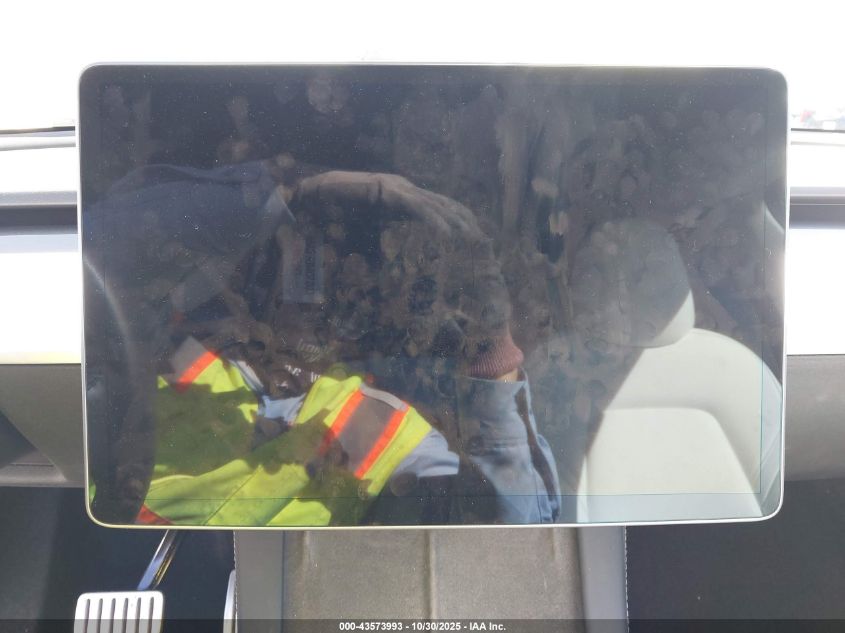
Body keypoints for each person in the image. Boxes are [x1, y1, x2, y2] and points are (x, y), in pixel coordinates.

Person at [87, 164, 561, 527]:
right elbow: (96, 245)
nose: (331, 280)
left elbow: (516, 538)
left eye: (365, 270)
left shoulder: (386, 432)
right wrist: (283, 195)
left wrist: (491, 343)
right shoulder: (170, 343)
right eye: (311, 250)